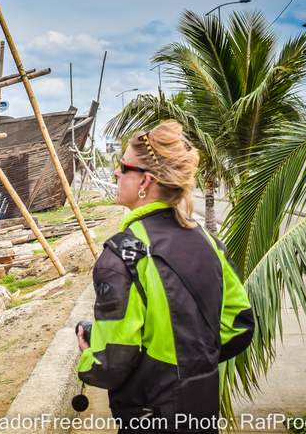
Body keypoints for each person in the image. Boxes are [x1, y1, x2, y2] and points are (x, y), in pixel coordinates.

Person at [76, 120, 254, 434]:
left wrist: (86, 356)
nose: (116, 173)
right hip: (202, 413)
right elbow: (237, 325)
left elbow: (111, 362)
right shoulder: (208, 242)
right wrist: (191, 364)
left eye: (123, 166)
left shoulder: (121, 255)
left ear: (145, 181)